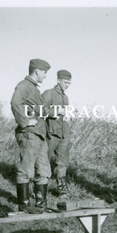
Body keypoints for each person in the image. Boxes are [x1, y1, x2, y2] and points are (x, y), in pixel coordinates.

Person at [10, 58, 52, 214]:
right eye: (45, 73)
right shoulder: (24, 86)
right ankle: (24, 204)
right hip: (30, 134)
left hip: (40, 134)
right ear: (37, 71)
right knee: (26, 169)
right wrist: (25, 121)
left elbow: (40, 111)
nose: (46, 76)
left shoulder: (35, 89)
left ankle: (41, 204)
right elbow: (15, 103)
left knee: (44, 170)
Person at [42, 70, 72, 198]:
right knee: (44, 161)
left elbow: (64, 114)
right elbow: (40, 110)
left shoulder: (65, 97)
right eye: (65, 82)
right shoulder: (48, 94)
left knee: (62, 163)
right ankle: (38, 189)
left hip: (63, 133)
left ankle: (62, 191)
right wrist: (56, 111)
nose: (67, 85)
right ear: (58, 80)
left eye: (69, 83)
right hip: (51, 133)